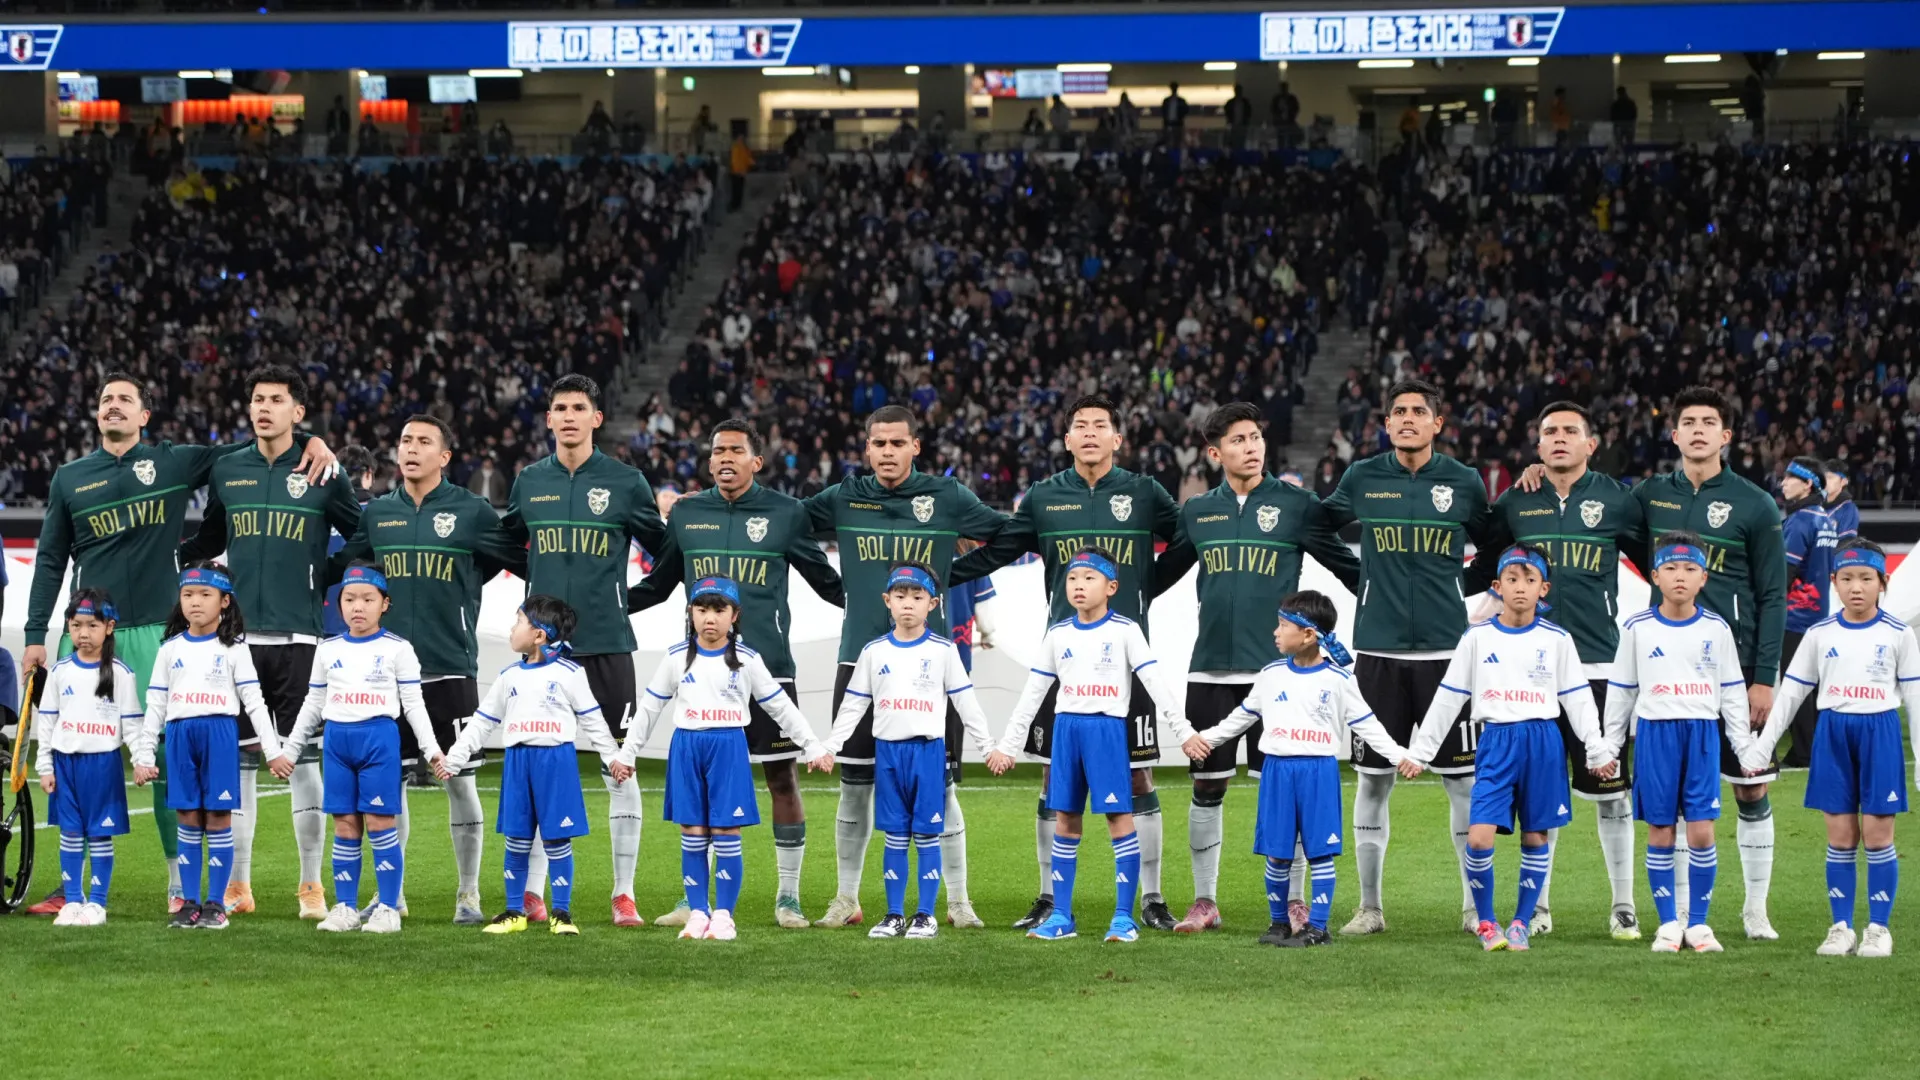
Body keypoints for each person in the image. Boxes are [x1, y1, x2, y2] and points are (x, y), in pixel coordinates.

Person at [21, 371, 332, 916]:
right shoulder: (71, 478)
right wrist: (34, 636)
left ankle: (176, 883)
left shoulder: (173, 462)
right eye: (104, 399)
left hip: (157, 635)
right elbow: (50, 559)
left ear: (145, 416)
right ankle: (69, 885)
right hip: (91, 632)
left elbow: (257, 445)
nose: (113, 406)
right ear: (96, 415)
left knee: (169, 759)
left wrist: (312, 441)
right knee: (73, 755)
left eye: (125, 400)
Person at [955, 394, 1183, 932]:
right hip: (1063, 659)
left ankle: (1150, 898)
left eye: (1100, 426)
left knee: (1140, 775)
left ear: (1117, 438)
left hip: (1126, 659)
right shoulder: (1044, 496)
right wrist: (947, 573)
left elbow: (1189, 541)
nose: (1089, 434)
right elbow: (1003, 549)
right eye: (1080, 426)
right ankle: (1047, 897)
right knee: (1053, 779)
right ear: (1066, 439)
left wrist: (1147, 588)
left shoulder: (1144, 492)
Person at [1150, 402, 1360, 934]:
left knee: (1284, 789)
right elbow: (1155, 579)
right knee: (1206, 788)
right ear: (1215, 453)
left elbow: (1351, 568)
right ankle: (1204, 900)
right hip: (1211, 671)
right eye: (1239, 440)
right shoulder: (1198, 513)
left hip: (1283, 677)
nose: (1252, 446)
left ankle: (1292, 902)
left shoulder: (1297, 506)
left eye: (1256, 437)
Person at [631, 418, 843, 929]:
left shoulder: (786, 514)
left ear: (757, 461)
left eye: (735, 450)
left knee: (781, 779)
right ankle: (694, 900)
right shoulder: (687, 515)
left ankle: (788, 897)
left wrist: (887, 608)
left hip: (764, 667)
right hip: (698, 670)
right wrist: (602, 612)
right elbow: (658, 586)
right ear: (708, 462)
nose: (725, 458)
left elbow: (827, 582)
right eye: (717, 450)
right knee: (698, 792)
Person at [804, 405, 1008, 930]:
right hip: (859, 661)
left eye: (898, 443)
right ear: (867, 448)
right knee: (854, 785)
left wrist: (951, 575)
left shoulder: (946, 495)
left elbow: (1007, 536)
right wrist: (836, 587)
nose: (887, 452)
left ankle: (959, 903)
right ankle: (847, 898)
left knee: (941, 790)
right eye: (879, 444)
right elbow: (787, 526)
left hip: (928, 669)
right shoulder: (846, 495)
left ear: (916, 446)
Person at [177, 364, 362, 919]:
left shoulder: (325, 471)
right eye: (257, 399)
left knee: (302, 762)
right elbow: (211, 536)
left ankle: (311, 885)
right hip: (235, 643)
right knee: (239, 765)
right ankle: (238, 884)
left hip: (302, 638)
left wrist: (326, 575)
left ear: (297, 412)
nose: (264, 408)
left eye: (276, 400)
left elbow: (364, 534)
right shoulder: (229, 469)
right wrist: (177, 558)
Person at [1318, 378, 1496, 936]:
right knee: (1373, 779)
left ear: (1437, 424)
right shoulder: (1363, 477)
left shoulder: (1463, 482)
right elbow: (1317, 527)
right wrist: (1361, 578)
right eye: (1398, 412)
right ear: (1386, 423)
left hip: (1450, 656)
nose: (1408, 419)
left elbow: (1495, 540)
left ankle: (1473, 907)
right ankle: (1369, 907)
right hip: (1377, 653)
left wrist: (1459, 586)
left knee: (1462, 783)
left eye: (1419, 411)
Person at [1466, 402, 1647, 939]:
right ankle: (1537, 909)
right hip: (1529, 677)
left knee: (1611, 794)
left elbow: (1659, 565)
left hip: (1601, 669)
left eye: (1571, 431)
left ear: (1591, 444)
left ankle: (1623, 904)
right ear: (1538, 447)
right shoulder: (1516, 502)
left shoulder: (1618, 500)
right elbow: (1482, 571)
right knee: (1541, 799)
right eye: (1550, 432)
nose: (1560, 438)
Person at [338, 414, 526, 925]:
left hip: (449, 669)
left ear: (445, 457)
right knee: (387, 787)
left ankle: (468, 894)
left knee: (459, 781)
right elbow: (349, 574)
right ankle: (391, 894)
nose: (411, 449)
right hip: (384, 676)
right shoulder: (378, 515)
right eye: (404, 441)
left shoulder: (473, 511)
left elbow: (515, 559)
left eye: (424, 442)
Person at [501, 374, 666, 928]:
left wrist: (625, 602)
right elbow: (503, 546)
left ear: (597, 418)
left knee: (618, 766)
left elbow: (666, 555)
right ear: (548, 419)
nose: (568, 417)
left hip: (606, 648)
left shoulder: (625, 482)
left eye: (579, 408)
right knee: (541, 770)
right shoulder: (529, 482)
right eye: (559, 408)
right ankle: (532, 893)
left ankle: (623, 893)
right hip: (541, 659)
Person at [1631, 386, 1788, 940]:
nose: (1697, 430)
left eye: (1709, 422)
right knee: (1670, 806)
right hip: (1667, 680)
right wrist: (1539, 471)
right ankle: (1677, 921)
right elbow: (1595, 513)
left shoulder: (1755, 504)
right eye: (1687, 422)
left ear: (1726, 436)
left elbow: (1774, 596)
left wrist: (1763, 678)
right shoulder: (1650, 496)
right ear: (1674, 435)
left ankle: (1755, 910)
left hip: (1735, 673)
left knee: (1749, 787)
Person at [1404, 544, 1613, 952]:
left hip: (1543, 742)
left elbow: (1578, 698)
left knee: (1535, 837)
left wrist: (1596, 747)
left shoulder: (1557, 639)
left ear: (1544, 589)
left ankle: (1520, 922)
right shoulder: (1477, 637)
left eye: (1530, 580)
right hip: (1496, 742)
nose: (1521, 588)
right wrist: (1421, 750)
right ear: (1497, 586)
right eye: (1512, 580)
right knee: (1479, 838)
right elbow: (1450, 696)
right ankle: (1486, 923)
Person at [1180, 591, 1409, 948]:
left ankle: (1317, 927)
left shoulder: (1338, 679)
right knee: (1277, 852)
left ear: (1308, 634)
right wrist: (1203, 739)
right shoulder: (1271, 675)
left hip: (1318, 772)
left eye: (1283, 625)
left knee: (1319, 851)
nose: (1275, 631)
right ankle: (1278, 924)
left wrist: (1399, 755)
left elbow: (1368, 724)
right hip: (1277, 773)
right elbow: (1240, 718)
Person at [987, 548, 1194, 943]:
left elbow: (1155, 684)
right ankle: (1062, 916)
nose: (1078, 586)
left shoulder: (1125, 631)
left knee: (1119, 818)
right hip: (1066, 733)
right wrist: (1008, 745)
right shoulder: (1058, 633)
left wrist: (1182, 732)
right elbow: (1033, 693)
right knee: (1065, 819)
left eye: (1089, 578)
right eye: (1072, 579)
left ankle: (1123, 917)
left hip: (1106, 733)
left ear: (1111, 587)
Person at [611, 577, 833, 941]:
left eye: (718, 610)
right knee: (693, 832)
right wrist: (627, 752)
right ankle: (698, 912)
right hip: (686, 747)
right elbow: (650, 708)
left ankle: (724, 917)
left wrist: (812, 746)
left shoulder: (746, 660)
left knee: (726, 831)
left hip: (728, 748)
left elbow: (779, 706)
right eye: (702, 610)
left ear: (735, 615)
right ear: (690, 613)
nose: (709, 618)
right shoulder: (675, 657)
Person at [1749, 541, 1916, 959]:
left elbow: (1915, 699)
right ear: (1833, 584)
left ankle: (1878, 928)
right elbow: (1789, 695)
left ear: (1883, 583)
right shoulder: (1819, 634)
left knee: (1878, 837)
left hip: (1879, 733)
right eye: (1846, 579)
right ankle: (1841, 927)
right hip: (1833, 734)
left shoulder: (1899, 633)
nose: (1856, 587)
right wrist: (1762, 747)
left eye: (1865, 579)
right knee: (1840, 837)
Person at [268, 563, 446, 935]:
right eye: (349, 599)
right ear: (339, 604)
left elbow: (414, 704)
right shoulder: (327, 649)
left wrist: (432, 750)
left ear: (385, 603)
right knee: (345, 825)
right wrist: (290, 749)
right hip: (337, 742)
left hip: (379, 741)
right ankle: (345, 907)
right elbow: (312, 704)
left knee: (381, 823)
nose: (357, 607)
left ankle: (387, 907)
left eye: (367, 599)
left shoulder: (398, 649)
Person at [1601, 534, 1756, 953]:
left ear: (1703, 577)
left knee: (1703, 832)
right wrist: (1611, 747)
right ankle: (1669, 924)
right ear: (1654, 576)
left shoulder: (1716, 628)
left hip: (1702, 734)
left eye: (1689, 569)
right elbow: (1621, 691)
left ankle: (1699, 924)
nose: (1680, 577)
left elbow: (1732, 691)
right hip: (1655, 734)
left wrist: (1743, 747)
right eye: (1670, 568)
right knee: (1661, 830)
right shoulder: (1637, 628)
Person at [825, 564, 995, 939]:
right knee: (895, 836)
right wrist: (830, 747)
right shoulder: (873, 652)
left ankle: (925, 914)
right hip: (888, 756)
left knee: (927, 835)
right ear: (887, 601)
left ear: (932, 604)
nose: (908, 605)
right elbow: (853, 705)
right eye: (900, 597)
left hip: (928, 755)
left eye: (917, 597)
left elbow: (966, 703)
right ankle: (894, 914)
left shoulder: (943, 651)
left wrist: (988, 747)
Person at [437, 595, 622, 937]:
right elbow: (481, 723)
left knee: (557, 841)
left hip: (557, 763)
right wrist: (455, 759)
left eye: (518, 621)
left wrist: (613, 758)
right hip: (518, 763)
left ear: (539, 635)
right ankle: (513, 912)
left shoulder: (570, 674)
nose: (512, 628)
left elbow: (593, 721)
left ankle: (562, 914)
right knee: (517, 839)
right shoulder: (509, 677)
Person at [131, 563, 284, 931]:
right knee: (186, 816)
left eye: (205, 595)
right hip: (181, 735)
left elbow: (255, 701)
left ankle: (216, 904)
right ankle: (190, 903)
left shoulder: (234, 649)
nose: (195, 602)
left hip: (219, 734)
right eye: (188, 594)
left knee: (217, 817)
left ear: (224, 601)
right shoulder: (169, 649)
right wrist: (143, 754)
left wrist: (273, 748)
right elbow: (155, 704)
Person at [36, 590, 143, 928]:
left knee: (98, 835)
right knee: (69, 833)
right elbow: (48, 722)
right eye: (76, 625)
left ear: (109, 627)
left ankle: (97, 904)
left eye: (92, 625)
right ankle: (72, 901)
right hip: (65, 765)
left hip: (102, 766)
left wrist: (141, 759)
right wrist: (45, 766)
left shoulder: (122, 674)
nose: (83, 633)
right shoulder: (60, 671)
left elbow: (132, 726)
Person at [1779, 457, 1839, 770]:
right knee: (1813, 686)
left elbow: (1785, 573)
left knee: (1794, 685)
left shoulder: (1800, 521)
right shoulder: (1825, 519)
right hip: (1819, 615)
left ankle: (1803, 752)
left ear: (1807, 485)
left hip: (1794, 616)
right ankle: (1816, 748)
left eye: (1790, 478)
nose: (1783, 483)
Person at [1823, 459, 1859, 545]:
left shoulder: (1848, 508)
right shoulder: (1816, 506)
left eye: (1830, 477)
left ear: (1844, 481)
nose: (1826, 481)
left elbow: (1845, 544)